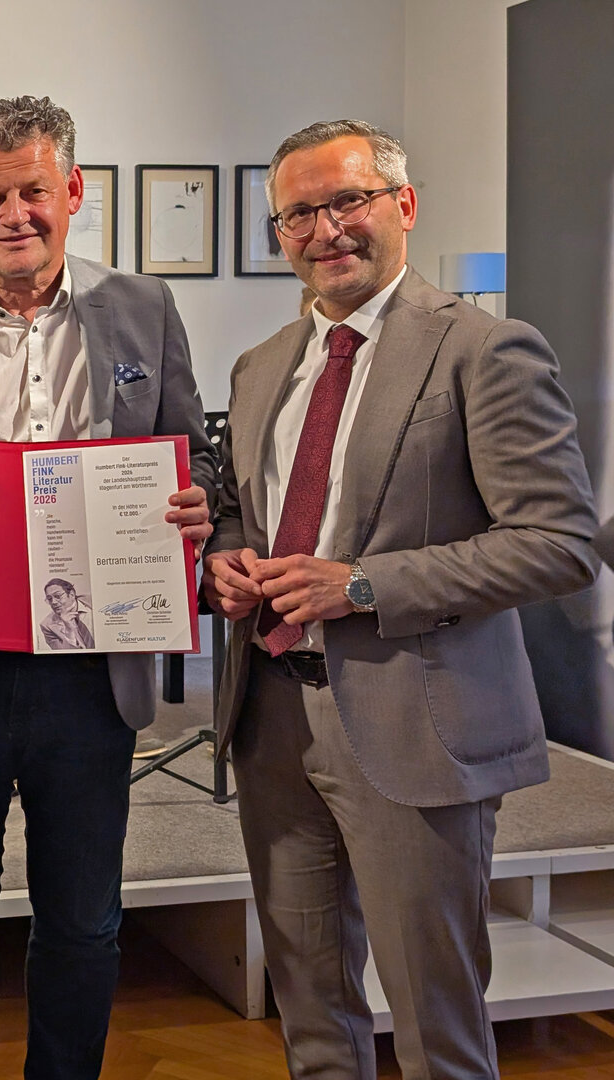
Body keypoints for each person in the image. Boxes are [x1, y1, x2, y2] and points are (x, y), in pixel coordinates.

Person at [202, 119, 598, 1080]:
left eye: (348, 201)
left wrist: (366, 585)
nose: (325, 228)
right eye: (298, 213)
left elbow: (559, 542)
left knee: (434, 1016)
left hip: (415, 723)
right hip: (271, 716)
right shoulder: (261, 368)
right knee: (308, 1002)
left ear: (403, 206)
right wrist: (225, 555)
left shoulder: (486, 350)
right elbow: (234, 510)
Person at [0, 95, 216, 1079]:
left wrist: (196, 507)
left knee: (85, 920)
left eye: (33, 192)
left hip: (92, 676)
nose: (15, 214)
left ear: (74, 192)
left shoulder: (145, 309)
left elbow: (194, 459)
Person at [39, 578, 94, 650]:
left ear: (72, 594)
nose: (53, 602)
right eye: (49, 599)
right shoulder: (47, 626)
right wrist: (69, 630)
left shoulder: (93, 599)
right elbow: (64, 654)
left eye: (57, 596)